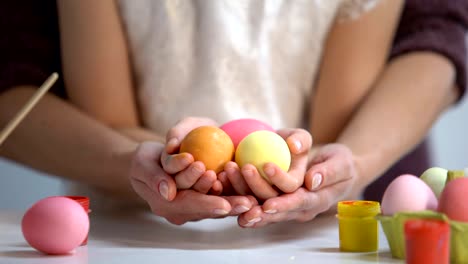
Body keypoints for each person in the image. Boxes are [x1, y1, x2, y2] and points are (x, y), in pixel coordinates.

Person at [0, 0, 467, 228]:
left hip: (318, 235)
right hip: (129, 230)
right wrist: (137, 162)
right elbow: (15, 71)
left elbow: (439, 32)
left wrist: (350, 161)